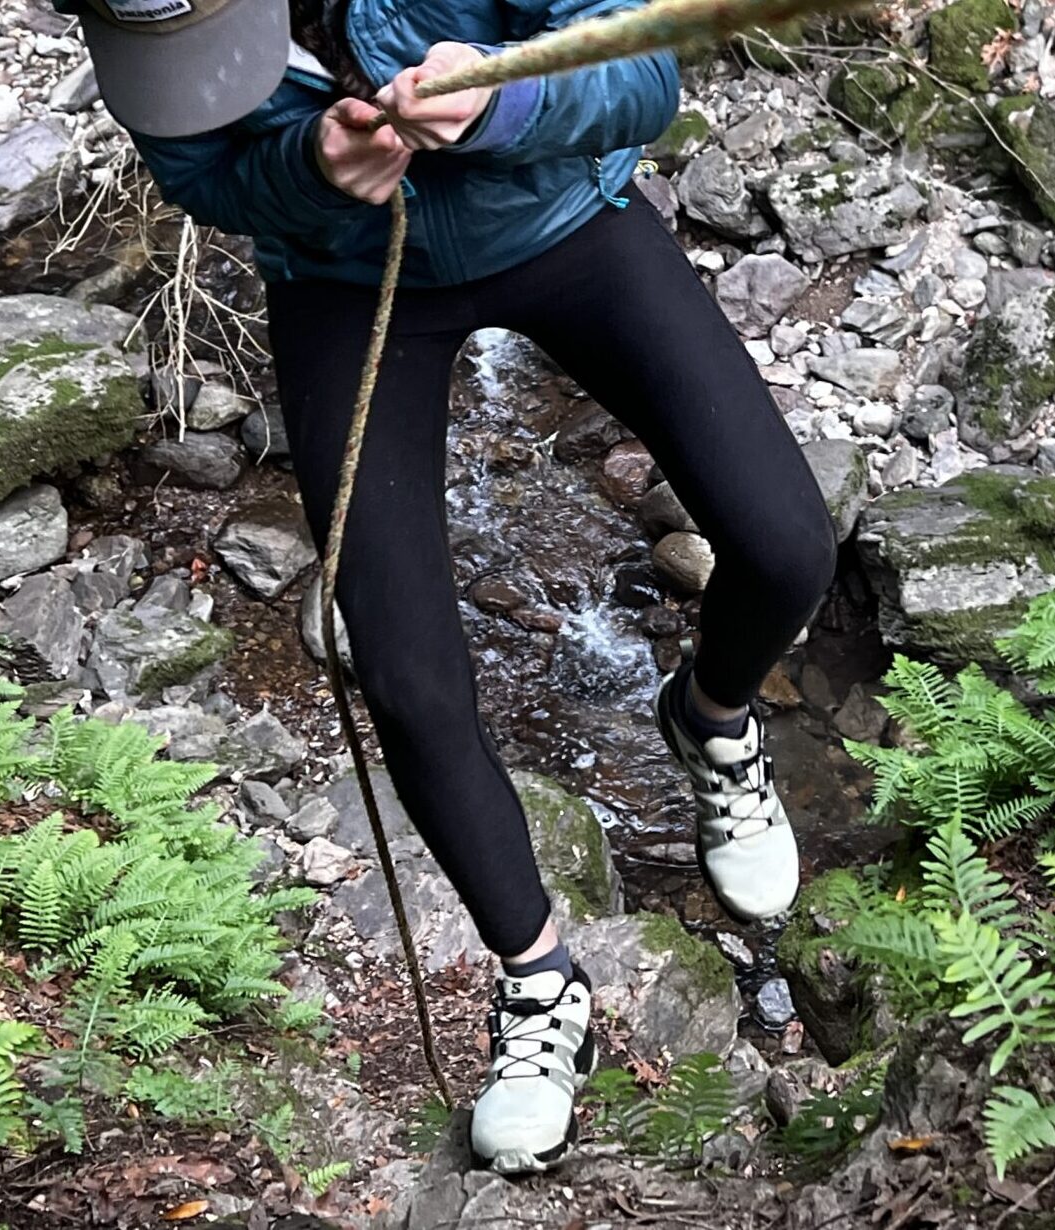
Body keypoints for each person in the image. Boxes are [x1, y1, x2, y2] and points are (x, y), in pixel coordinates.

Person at [54, 0, 835, 1177]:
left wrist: (502, 101)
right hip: (348, 275)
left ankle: (712, 720)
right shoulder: (138, 19)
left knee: (784, 545)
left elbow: (640, 75)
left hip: (562, 215)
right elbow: (205, 172)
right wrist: (311, 169)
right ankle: (538, 986)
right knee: (410, 676)